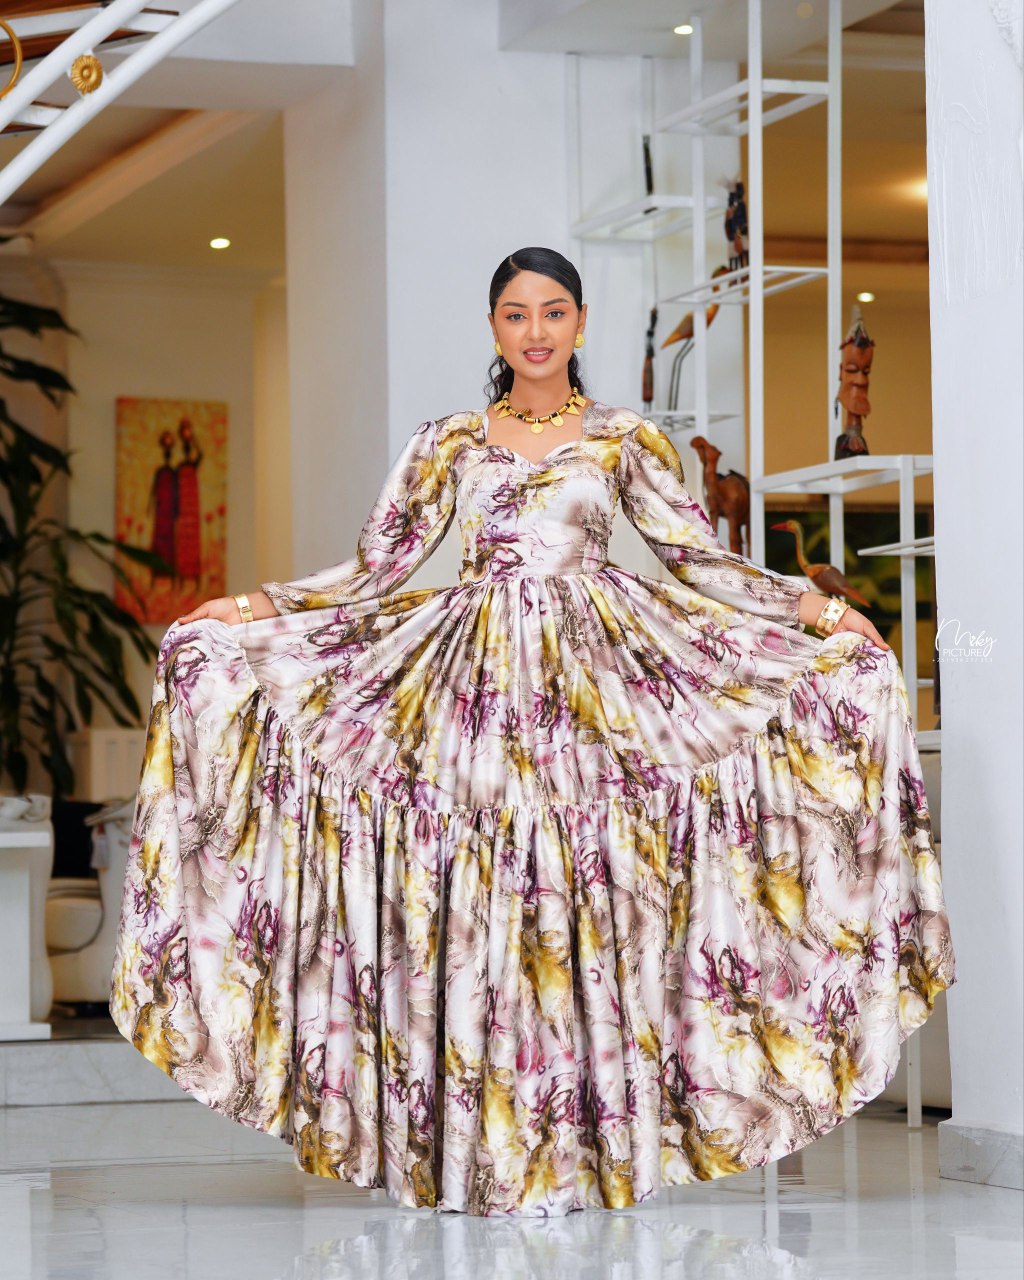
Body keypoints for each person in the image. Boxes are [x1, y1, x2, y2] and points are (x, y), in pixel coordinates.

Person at [110, 246, 954, 1218]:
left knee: (593, 883)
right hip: (473, 682)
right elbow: (378, 567)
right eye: (516, 313)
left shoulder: (627, 439)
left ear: (580, 322)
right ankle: (483, 1139)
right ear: (495, 327)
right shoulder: (447, 442)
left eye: (553, 311)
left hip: (598, 680)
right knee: (483, 887)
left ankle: (590, 1137)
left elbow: (699, 562)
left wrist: (816, 610)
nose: (536, 330)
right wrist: (253, 608)